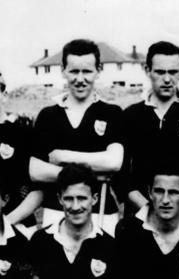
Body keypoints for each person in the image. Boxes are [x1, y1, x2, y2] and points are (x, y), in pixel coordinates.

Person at [33, 39, 125, 234]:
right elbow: (35, 170)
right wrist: (90, 175)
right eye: (74, 71)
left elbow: (114, 162)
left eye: (87, 71)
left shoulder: (112, 113)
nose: (80, 79)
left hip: (101, 213)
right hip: (56, 211)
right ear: (63, 70)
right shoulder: (48, 116)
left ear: (98, 70)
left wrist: (62, 157)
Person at [0, 67, 60, 234]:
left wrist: (5, 223)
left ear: (4, 95)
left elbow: (38, 191)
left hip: (18, 226)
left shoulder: (24, 133)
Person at [122, 41, 179, 213]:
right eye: (160, 72)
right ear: (147, 71)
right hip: (140, 214)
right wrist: (149, 211)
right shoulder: (131, 115)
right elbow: (122, 174)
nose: (167, 79)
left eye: (173, 72)